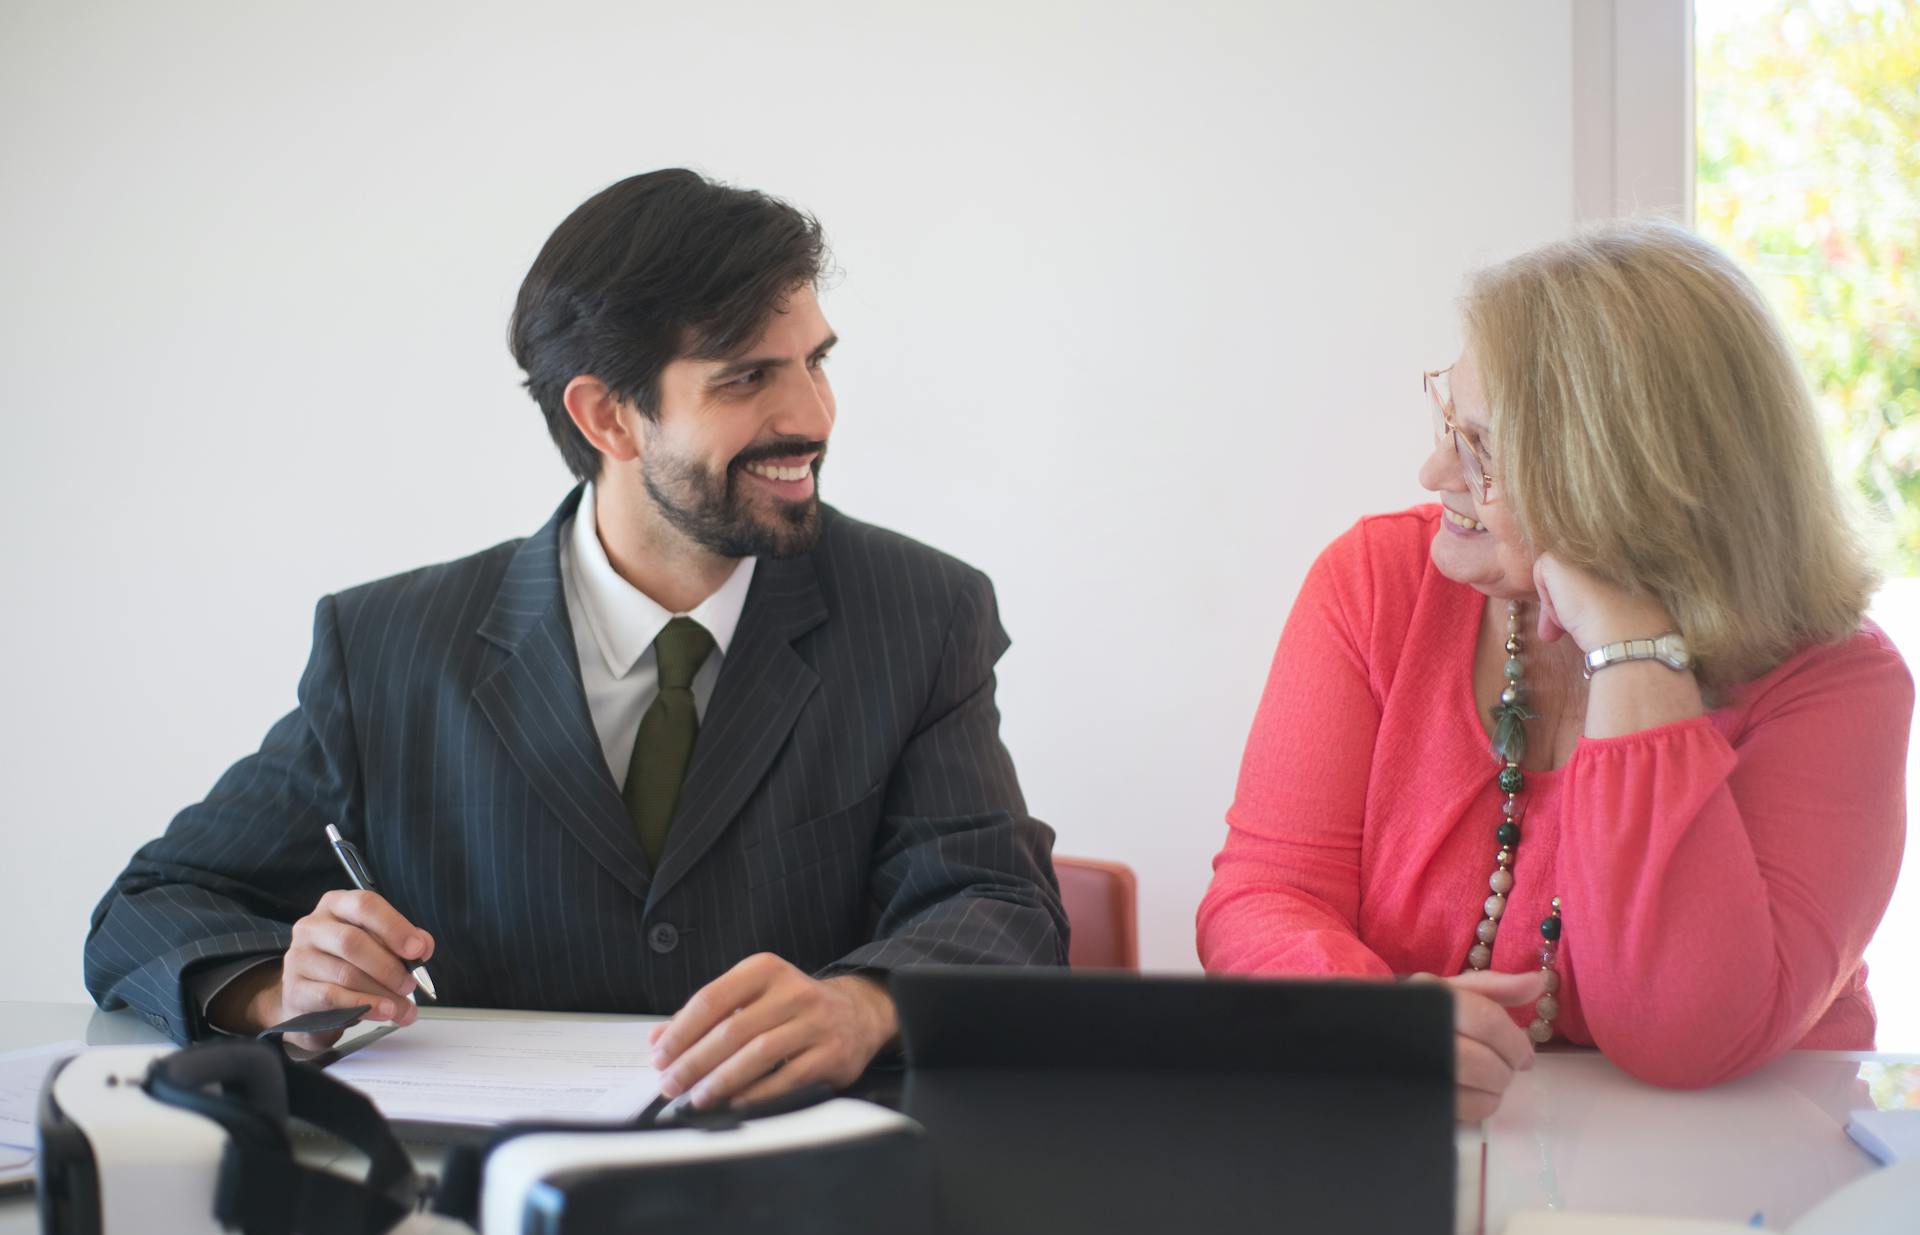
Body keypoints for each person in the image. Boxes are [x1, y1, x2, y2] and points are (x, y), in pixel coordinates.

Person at [85, 169, 1067, 1109]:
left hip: (805, 1179)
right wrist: (277, 989)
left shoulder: (922, 610)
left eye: (817, 359)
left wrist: (863, 1004)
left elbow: (1000, 904)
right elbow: (154, 900)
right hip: (476, 1202)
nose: (812, 415)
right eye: (748, 378)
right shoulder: (387, 646)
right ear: (607, 416)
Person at [1197, 221, 1911, 1120]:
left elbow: (1686, 1034)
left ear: (1624, 477)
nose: (1434, 471)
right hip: (1432, 1148)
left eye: (1485, 449)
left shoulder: (1836, 682)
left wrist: (1628, 640)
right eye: (1449, 423)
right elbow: (1263, 896)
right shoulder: (1376, 584)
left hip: (1742, 1179)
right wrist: (1359, 1020)